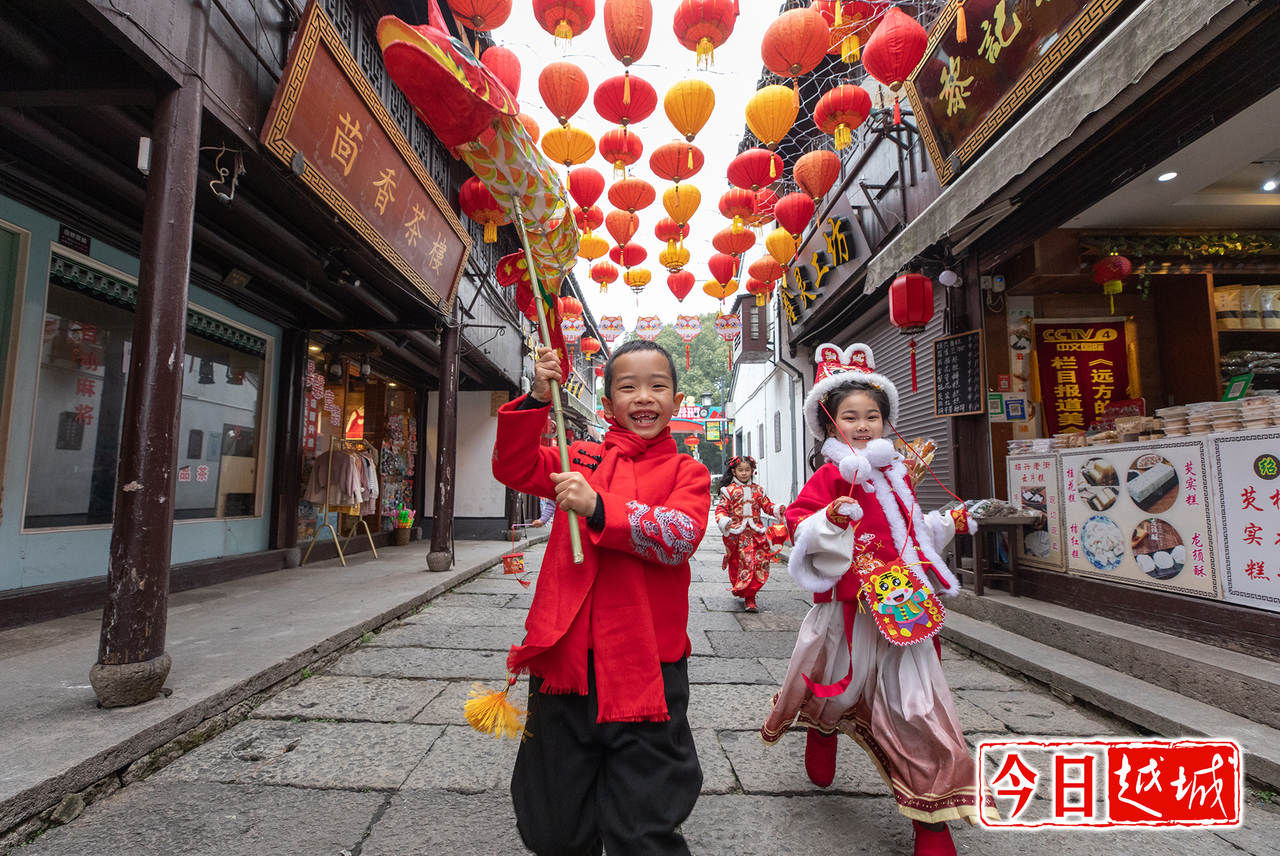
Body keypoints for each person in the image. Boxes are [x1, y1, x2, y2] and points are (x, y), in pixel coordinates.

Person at [759, 342, 995, 856]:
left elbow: (910, 537)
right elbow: (800, 527)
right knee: (833, 688)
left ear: (888, 423)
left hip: (903, 609)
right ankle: (822, 731)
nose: (863, 425)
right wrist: (832, 521)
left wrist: (946, 523)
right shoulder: (828, 477)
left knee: (919, 708)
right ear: (830, 424)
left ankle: (932, 823)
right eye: (850, 417)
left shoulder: (899, 477)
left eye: (872, 416)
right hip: (847, 610)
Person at [492, 339, 711, 856]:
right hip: (567, 665)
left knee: (645, 822)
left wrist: (598, 508)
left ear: (676, 402)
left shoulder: (688, 473)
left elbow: (678, 536)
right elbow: (514, 467)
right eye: (627, 386)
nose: (643, 397)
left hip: (649, 670)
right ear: (608, 402)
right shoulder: (578, 456)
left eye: (658, 386)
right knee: (554, 823)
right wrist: (537, 401)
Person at [714, 455, 784, 612]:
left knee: (758, 563)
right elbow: (721, 510)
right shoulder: (729, 491)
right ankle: (746, 594)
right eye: (740, 470)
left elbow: (767, 506)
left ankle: (750, 596)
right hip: (737, 534)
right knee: (742, 562)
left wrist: (777, 509)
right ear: (734, 471)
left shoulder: (759, 491)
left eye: (747, 470)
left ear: (752, 471)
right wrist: (724, 520)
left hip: (756, 532)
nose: (744, 473)